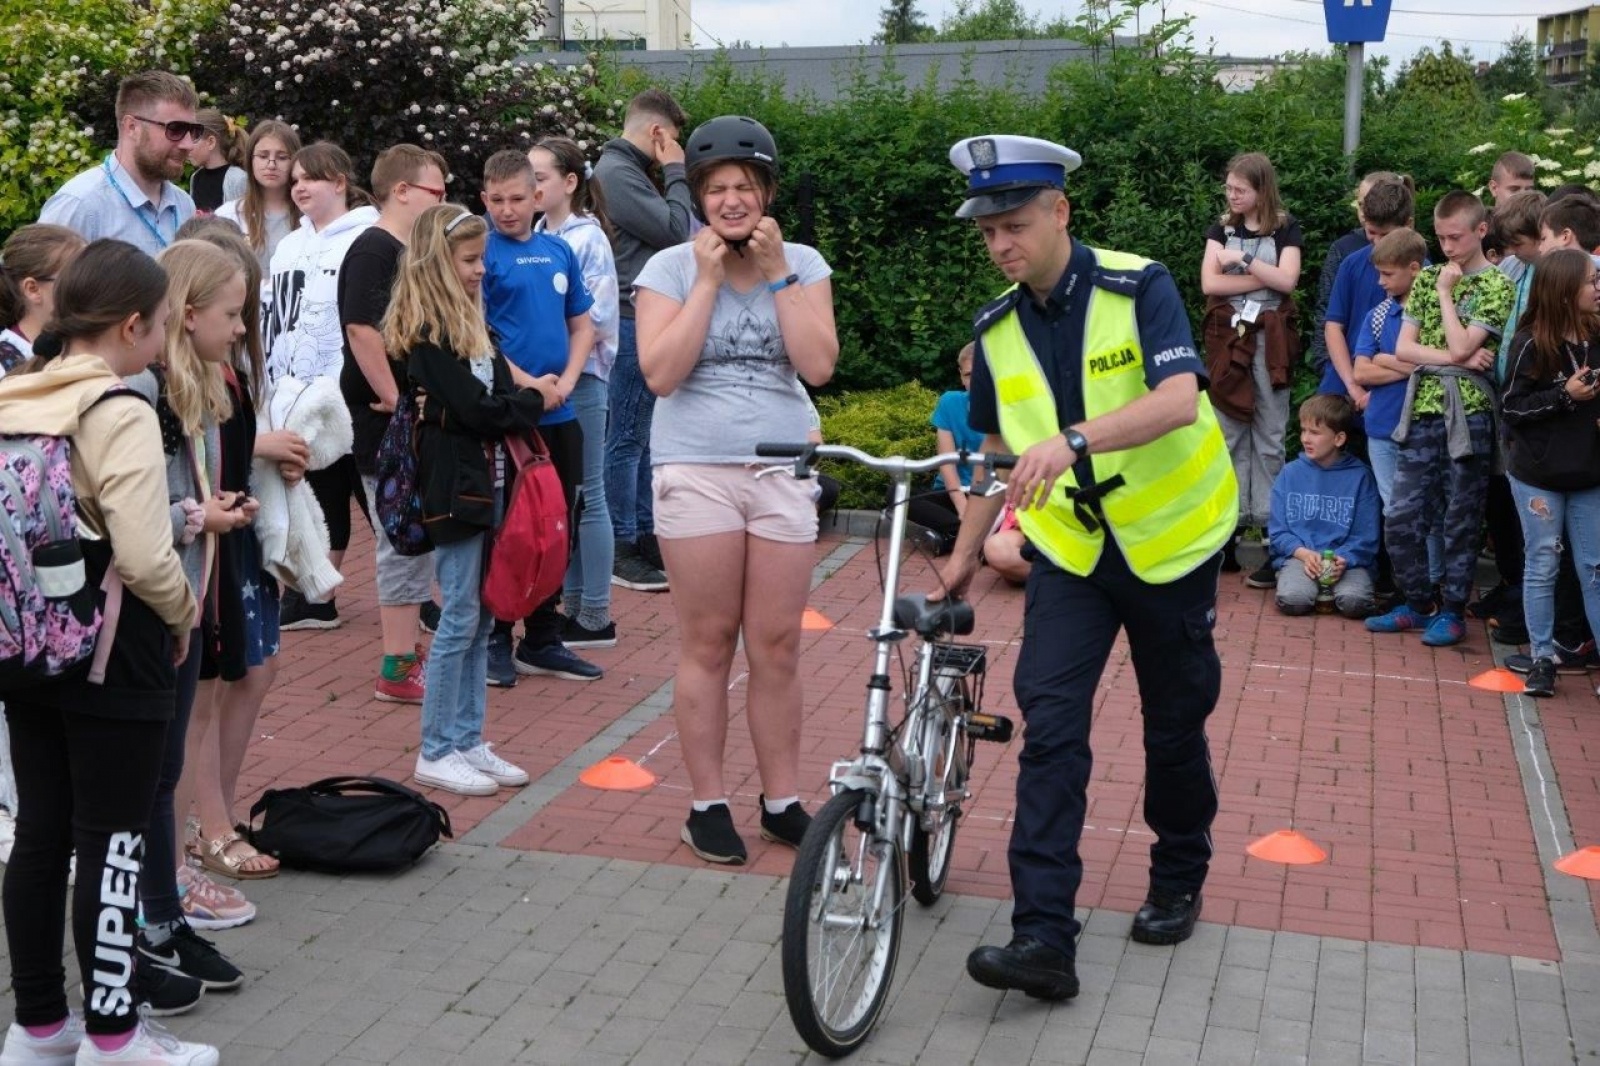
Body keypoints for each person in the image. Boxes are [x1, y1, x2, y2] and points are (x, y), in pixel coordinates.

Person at [933, 135, 1236, 1002]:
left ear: (1061, 212)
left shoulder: (1139, 287)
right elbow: (992, 452)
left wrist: (1073, 441)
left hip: (1172, 546)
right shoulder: (995, 328)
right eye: (987, 230)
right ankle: (1043, 939)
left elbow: (1181, 400)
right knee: (1051, 727)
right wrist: (960, 560)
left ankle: (1178, 873)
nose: (1000, 243)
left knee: (1173, 726)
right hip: (1071, 551)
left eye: (1015, 224)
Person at [0, 239, 216, 1066]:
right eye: (161, 325)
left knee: (44, 832)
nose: (163, 340)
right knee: (115, 837)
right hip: (112, 646)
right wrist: (183, 609)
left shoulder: (17, 395)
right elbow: (142, 548)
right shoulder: (117, 408)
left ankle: (39, 1027)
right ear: (132, 325)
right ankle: (117, 1037)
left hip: (25, 647)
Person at [635, 115, 837, 866]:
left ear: (768, 193)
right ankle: (707, 802)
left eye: (744, 188)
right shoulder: (669, 270)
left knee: (778, 644)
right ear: (698, 196)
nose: (730, 201)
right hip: (695, 468)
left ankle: (782, 800)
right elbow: (661, 373)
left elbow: (818, 366)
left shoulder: (805, 264)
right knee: (710, 640)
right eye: (716, 189)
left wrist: (780, 273)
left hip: (782, 466)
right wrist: (710, 280)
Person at [386, 204, 557, 796]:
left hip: (488, 482)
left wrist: (517, 401)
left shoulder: (473, 325)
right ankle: (436, 748)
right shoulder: (429, 335)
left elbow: (496, 398)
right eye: (469, 259)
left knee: (482, 613)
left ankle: (467, 738)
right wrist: (535, 402)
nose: (482, 269)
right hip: (454, 488)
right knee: (460, 613)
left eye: (481, 257)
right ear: (438, 264)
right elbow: (481, 410)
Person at [128, 239, 255, 1001]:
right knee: (145, 780)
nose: (241, 329)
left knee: (165, 771)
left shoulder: (196, 383)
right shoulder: (146, 394)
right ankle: (144, 930)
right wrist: (195, 515)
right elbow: (127, 510)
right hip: (151, 611)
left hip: (182, 600)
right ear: (190, 312)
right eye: (233, 314)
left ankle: (162, 914)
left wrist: (213, 513)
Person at [176, 218, 305, 913]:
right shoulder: (177, 377)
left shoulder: (224, 360)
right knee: (203, 694)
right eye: (232, 312)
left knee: (250, 673)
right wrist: (208, 509)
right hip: (204, 545)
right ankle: (204, 827)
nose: (240, 324)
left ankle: (211, 814)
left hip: (230, 535)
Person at [1366, 191, 1514, 647]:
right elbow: (1403, 350)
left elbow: (1463, 345)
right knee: (1402, 515)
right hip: (1423, 409)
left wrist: (1448, 297)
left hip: (1468, 414)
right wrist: (1455, 357)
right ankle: (1417, 602)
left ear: (1481, 230)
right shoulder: (1426, 278)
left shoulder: (1495, 285)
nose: (1447, 247)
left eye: (1457, 237)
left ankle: (1451, 610)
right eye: (1441, 238)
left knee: (1460, 519)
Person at [479, 149, 598, 686]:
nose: (508, 210)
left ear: (538, 198)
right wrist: (529, 384)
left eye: (518, 199)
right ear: (484, 199)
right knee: (510, 527)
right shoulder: (481, 255)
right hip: (512, 416)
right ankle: (497, 637)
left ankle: (544, 637)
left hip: (561, 411)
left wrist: (567, 382)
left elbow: (583, 326)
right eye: (497, 200)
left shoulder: (559, 250)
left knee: (558, 525)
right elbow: (477, 334)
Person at [338, 143, 449, 702]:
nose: (444, 200)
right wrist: (394, 397)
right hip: (385, 426)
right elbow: (362, 328)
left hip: (405, 420)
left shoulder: (406, 249)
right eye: (437, 191)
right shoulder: (374, 249)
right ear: (402, 191)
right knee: (401, 536)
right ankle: (397, 664)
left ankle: (408, 653)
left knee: (414, 537)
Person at [265, 141, 378, 631]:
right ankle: (318, 592)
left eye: (310, 178)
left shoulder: (367, 235)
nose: (299, 187)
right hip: (299, 391)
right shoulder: (289, 244)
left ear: (339, 182)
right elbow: (275, 313)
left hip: (352, 387)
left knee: (375, 494)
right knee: (317, 490)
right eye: (295, 181)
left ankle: (415, 591)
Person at [595, 89, 693, 594]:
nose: (677, 150)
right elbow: (678, 230)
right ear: (658, 133)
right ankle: (621, 545)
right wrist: (676, 170)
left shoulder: (629, 172)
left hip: (649, 316)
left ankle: (645, 534)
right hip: (632, 318)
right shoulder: (616, 174)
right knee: (628, 435)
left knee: (645, 435)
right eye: (673, 140)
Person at [530, 136, 622, 649]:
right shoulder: (541, 233)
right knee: (564, 496)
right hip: (549, 382)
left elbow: (600, 320)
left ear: (570, 182)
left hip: (580, 380)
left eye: (540, 177)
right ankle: (573, 603)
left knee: (590, 491)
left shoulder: (586, 239)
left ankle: (595, 614)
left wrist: (564, 374)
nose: (531, 187)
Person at [1500, 249, 1600, 698]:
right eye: (1590, 282)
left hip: (1589, 471)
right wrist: (1564, 397)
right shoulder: (1530, 342)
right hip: (1538, 474)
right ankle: (1543, 657)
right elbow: (1511, 407)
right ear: (1563, 292)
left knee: (1594, 567)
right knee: (1542, 561)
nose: (1598, 288)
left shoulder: (1597, 334)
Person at [1199, 152, 1302, 585]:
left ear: (1261, 189)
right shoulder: (1221, 229)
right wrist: (1263, 275)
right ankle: (1226, 534)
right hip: (1230, 341)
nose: (1233, 195)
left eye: (1240, 189)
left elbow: (1289, 281)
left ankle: (1269, 534)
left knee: (1270, 434)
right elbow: (1210, 285)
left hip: (1271, 342)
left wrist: (1240, 262)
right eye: (1229, 188)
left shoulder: (1286, 228)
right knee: (1227, 432)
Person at [39, 71, 200, 256]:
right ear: (132, 127)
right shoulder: (80, 205)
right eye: (175, 129)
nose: (188, 144)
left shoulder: (184, 205)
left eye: (194, 131)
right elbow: (37, 281)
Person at [1266, 395, 1380, 618]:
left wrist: (1342, 559)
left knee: (1355, 603)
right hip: (1302, 558)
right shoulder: (1290, 473)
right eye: (1304, 430)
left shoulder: (1360, 477)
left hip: (1345, 562)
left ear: (1339, 439)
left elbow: (1366, 537)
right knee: (1294, 600)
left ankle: (1328, 590)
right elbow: (1278, 531)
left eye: (1315, 433)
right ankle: (1300, 584)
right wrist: (1304, 554)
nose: (1306, 439)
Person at [1351, 230, 1432, 539]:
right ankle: (1406, 582)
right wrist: (1412, 366)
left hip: (1424, 426)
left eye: (1387, 274)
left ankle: (1433, 578)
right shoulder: (1378, 314)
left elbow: (1440, 363)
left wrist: (1385, 358)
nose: (1381, 282)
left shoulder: (1436, 310)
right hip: (1383, 426)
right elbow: (1361, 373)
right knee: (1393, 510)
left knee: (1430, 511)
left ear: (1414, 268)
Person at [1308, 171, 1389, 384]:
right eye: (1360, 204)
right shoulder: (1345, 251)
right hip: (1342, 367)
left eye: (1370, 204)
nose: (1364, 212)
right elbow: (1327, 313)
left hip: (1386, 369)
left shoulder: (1416, 257)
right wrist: (1325, 363)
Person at [905, 342, 984, 552]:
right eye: (968, 375)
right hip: (953, 493)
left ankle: (950, 538)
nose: (975, 382)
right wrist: (962, 507)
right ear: (961, 376)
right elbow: (946, 462)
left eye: (982, 374)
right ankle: (970, 538)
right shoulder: (949, 402)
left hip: (988, 495)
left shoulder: (1008, 407)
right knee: (898, 494)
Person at [215, 120, 303, 275]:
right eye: (263, 156)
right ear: (251, 160)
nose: (271, 165)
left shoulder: (310, 216)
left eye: (282, 157)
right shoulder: (228, 215)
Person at [0, 224, 85, 375]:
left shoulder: (85, 349)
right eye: (76, 279)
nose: (91, 288)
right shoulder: (5, 364)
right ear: (33, 289)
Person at [187, 110, 248, 215]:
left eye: (192, 140)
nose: (187, 147)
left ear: (211, 142)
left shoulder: (238, 179)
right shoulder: (195, 177)